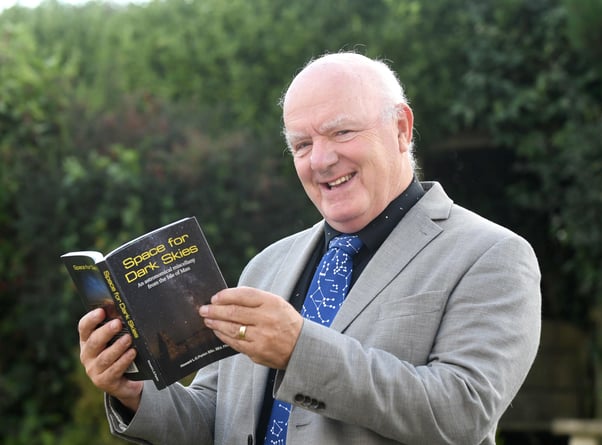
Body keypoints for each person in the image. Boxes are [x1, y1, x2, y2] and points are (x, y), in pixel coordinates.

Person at [78, 52, 541, 445]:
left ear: (401, 128)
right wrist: (132, 391)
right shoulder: (265, 265)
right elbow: (217, 418)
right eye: (302, 144)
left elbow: (462, 412)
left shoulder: (492, 256)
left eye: (342, 133)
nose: (321, 160)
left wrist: (298, 350)